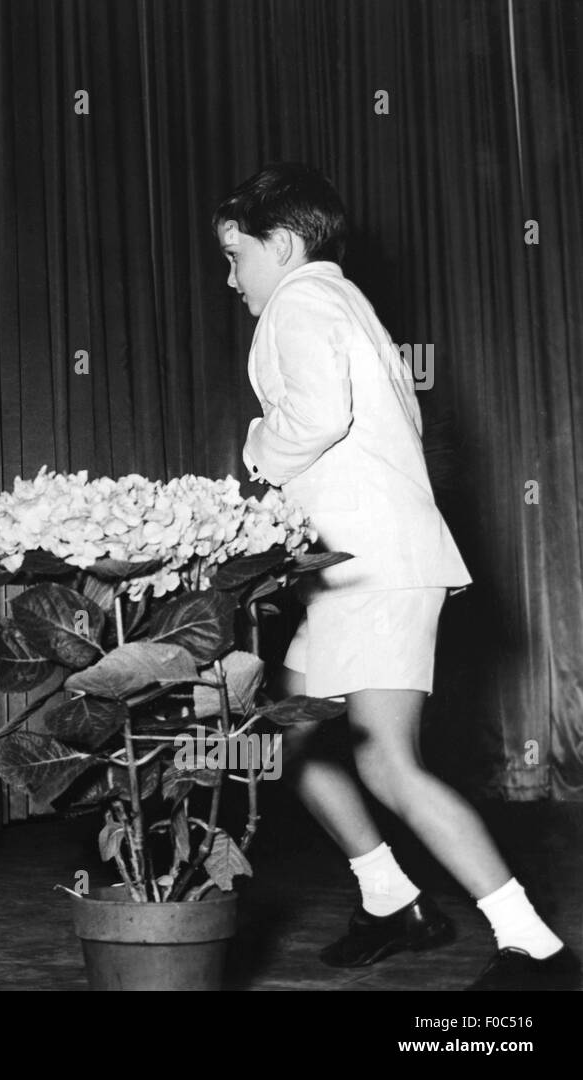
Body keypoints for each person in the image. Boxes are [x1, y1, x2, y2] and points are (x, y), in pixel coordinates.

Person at [214, 162, 579, 991]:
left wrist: (254, 448)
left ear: (285, 244)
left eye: (236, 257)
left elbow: (312, 420)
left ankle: (535, 947)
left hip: (373, 569)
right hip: (354, 571)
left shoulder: (302, 302)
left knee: (388, 766)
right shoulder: (350, 308)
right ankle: (391, 899)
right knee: (289, 740)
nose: (230, 278)